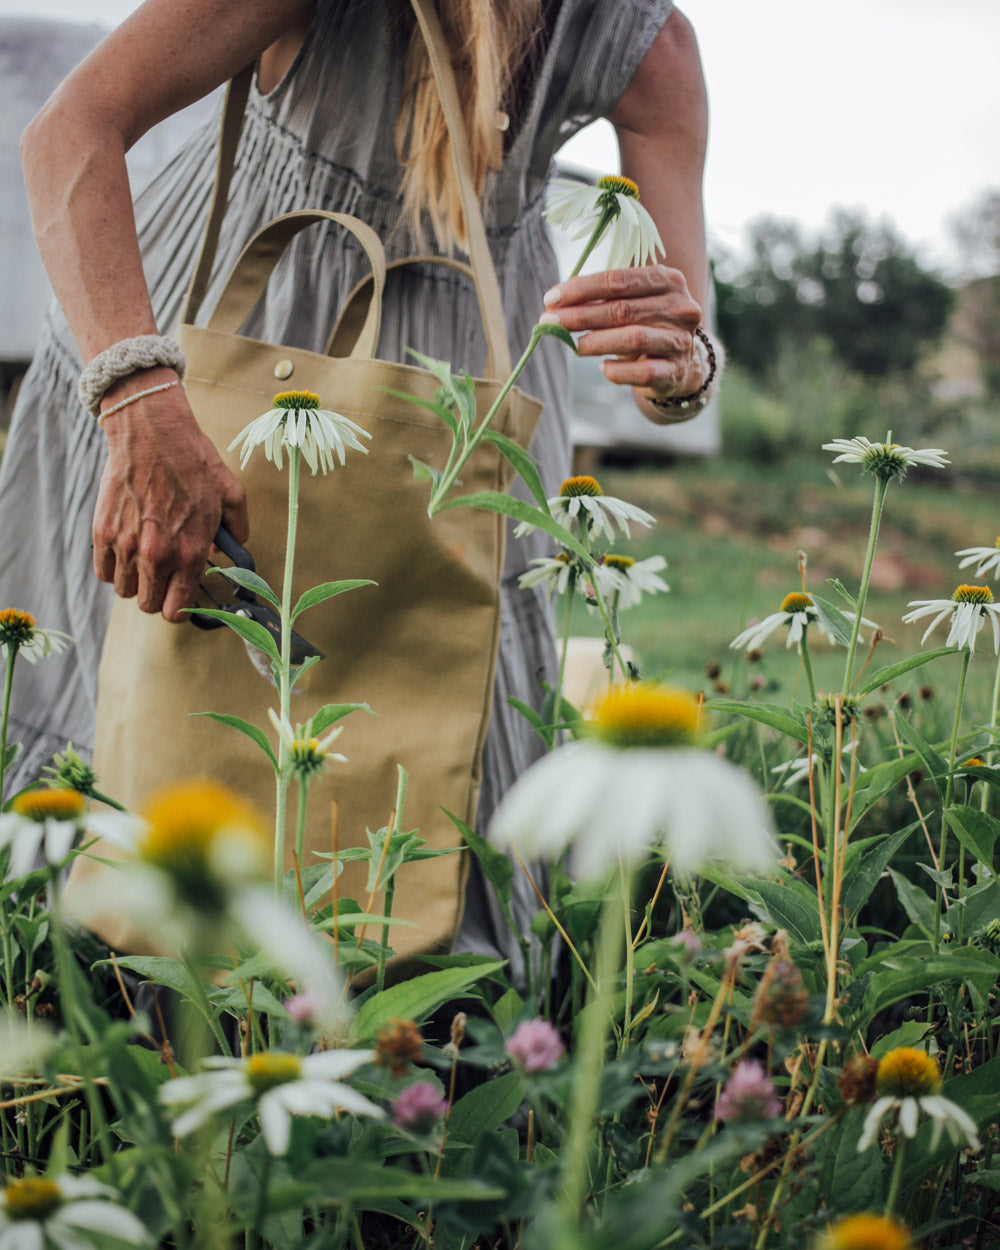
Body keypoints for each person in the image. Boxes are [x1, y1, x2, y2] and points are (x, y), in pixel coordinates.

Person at [1, 0, 712, 968]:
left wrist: (677, 361)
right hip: (202, 358)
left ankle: (399, 1047)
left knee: (444, 742)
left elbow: (684, 355)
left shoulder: (643, 41)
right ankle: (102, 1022)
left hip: (472, 388)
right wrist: (136, 400)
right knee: (156, 706)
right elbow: (67, 133)